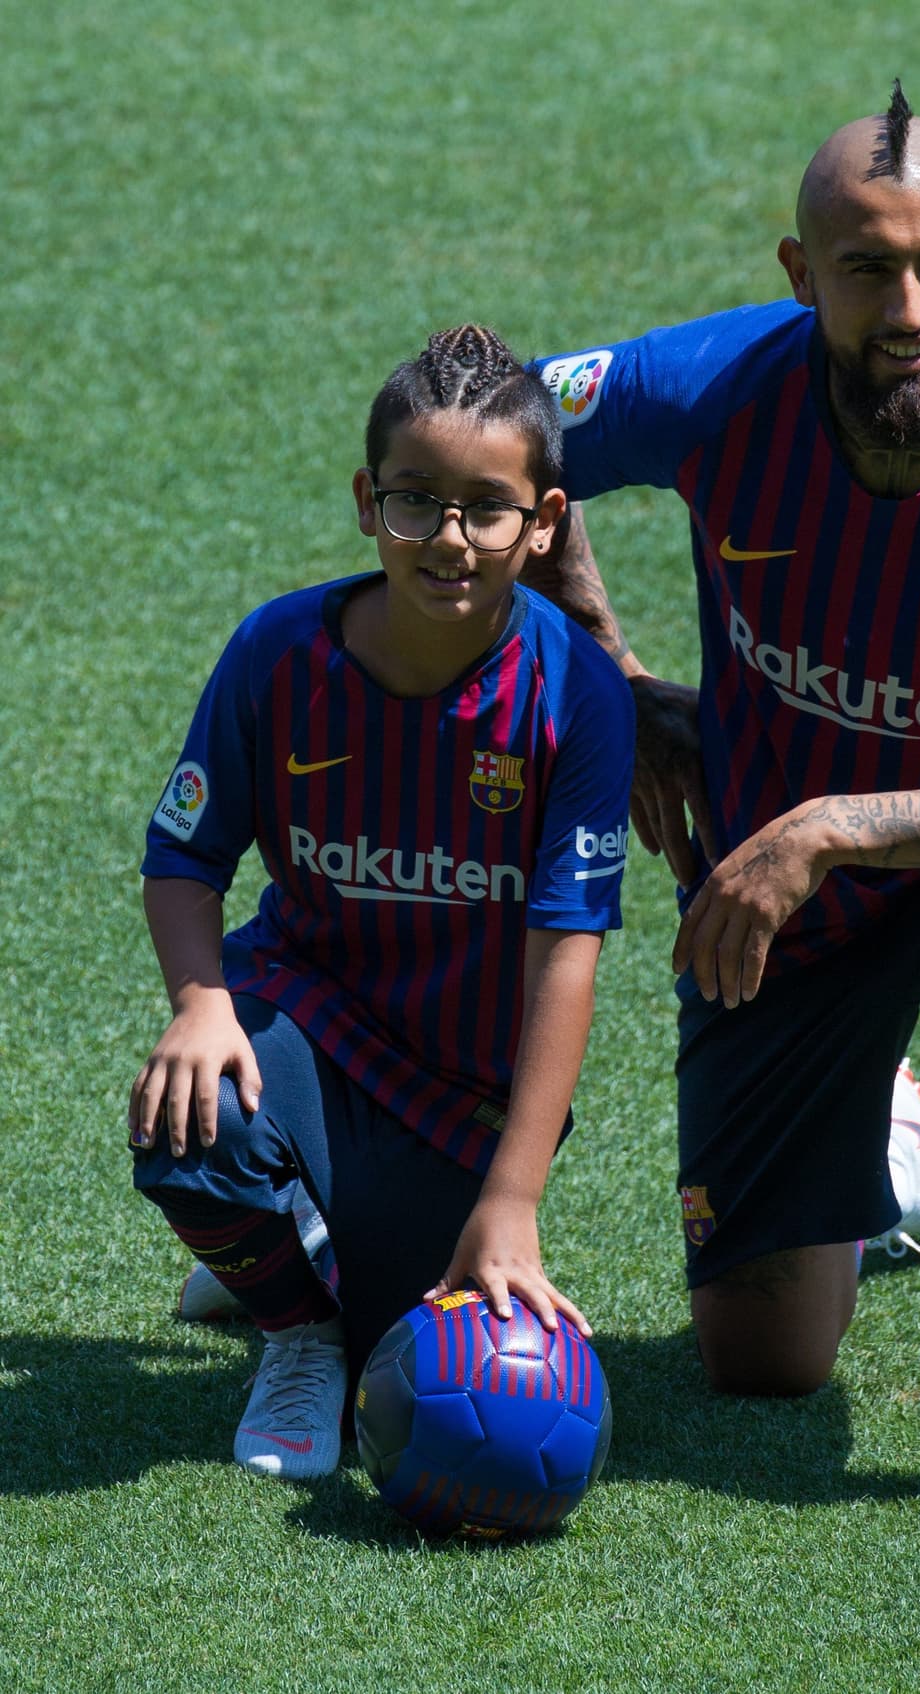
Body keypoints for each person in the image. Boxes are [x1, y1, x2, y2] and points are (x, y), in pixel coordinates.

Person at [522, 82, 920, 1546]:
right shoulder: (714, 387)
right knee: (764, 1365)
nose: (911, 306)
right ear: (799, 272)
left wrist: (830, 825)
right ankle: (886, 1149)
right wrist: (612, 684)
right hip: (782, 926)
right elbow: (496, 419)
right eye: (868, 267)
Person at [128, 326, 635, 1481]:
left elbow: (566, 952)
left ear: (543, 522)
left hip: (462, 1084)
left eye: (486, 508)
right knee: (186, 1122)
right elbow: (182, 857)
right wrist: (202, 1002)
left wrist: (511, 1196)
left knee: (409, 1313)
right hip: (308, 1014)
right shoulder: (277, 651)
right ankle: (293, 1328)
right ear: (367, 501)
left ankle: (307, 1241)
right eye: (416, 500)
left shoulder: (577, 694)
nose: (448, 538)